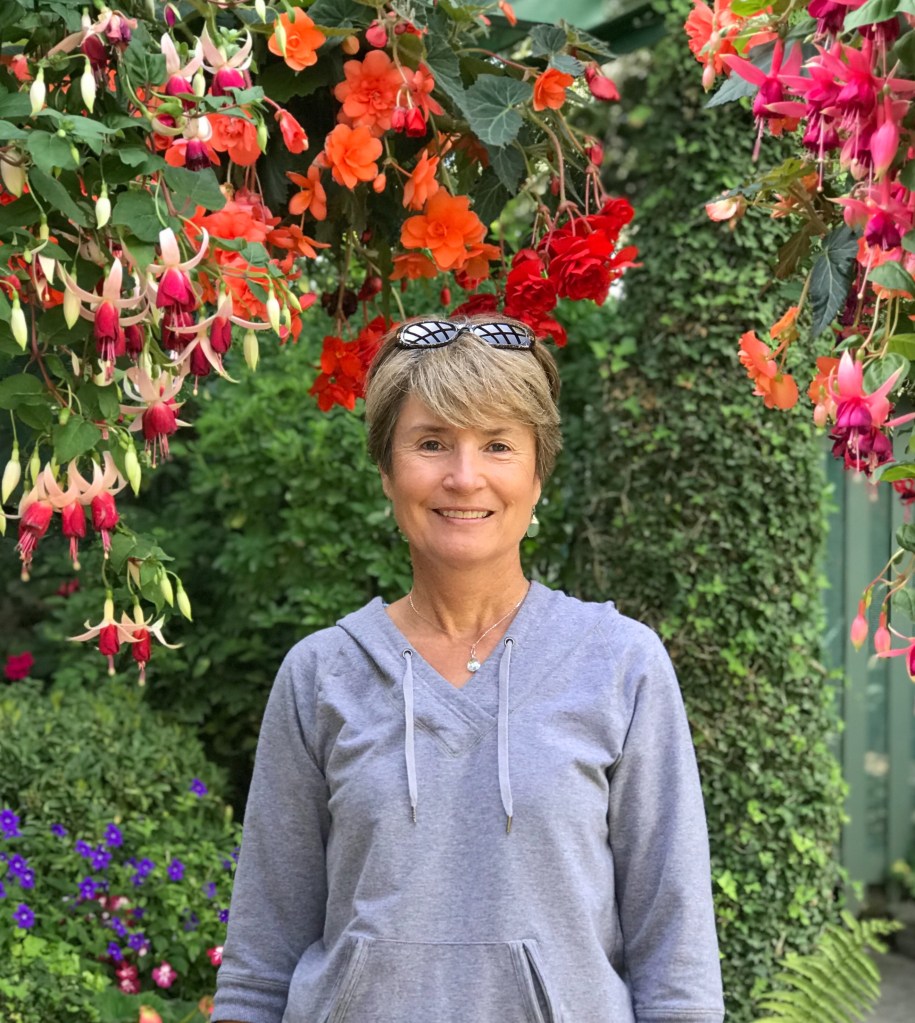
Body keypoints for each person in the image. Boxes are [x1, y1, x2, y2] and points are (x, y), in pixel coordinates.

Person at [211, 315, 725, 1023]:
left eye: (497, 445)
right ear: (387, 470)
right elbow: (258, 966)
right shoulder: (322, 675)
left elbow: (678, 967)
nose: (463, 476)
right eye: (430, 443)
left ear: (537, 473)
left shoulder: (620, 664)